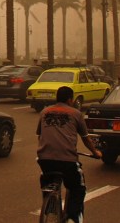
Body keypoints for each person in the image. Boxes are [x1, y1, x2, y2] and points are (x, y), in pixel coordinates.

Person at [37, 85, 102, 223]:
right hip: (67, 161)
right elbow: (86, 139)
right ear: (69, 99)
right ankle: (73, 218)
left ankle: (50, 206)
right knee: (78, 188)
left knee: (47, 182)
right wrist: (95, 153)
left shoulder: (44, 112)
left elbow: (40, 136)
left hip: (44, 160)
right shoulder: (76, 113)